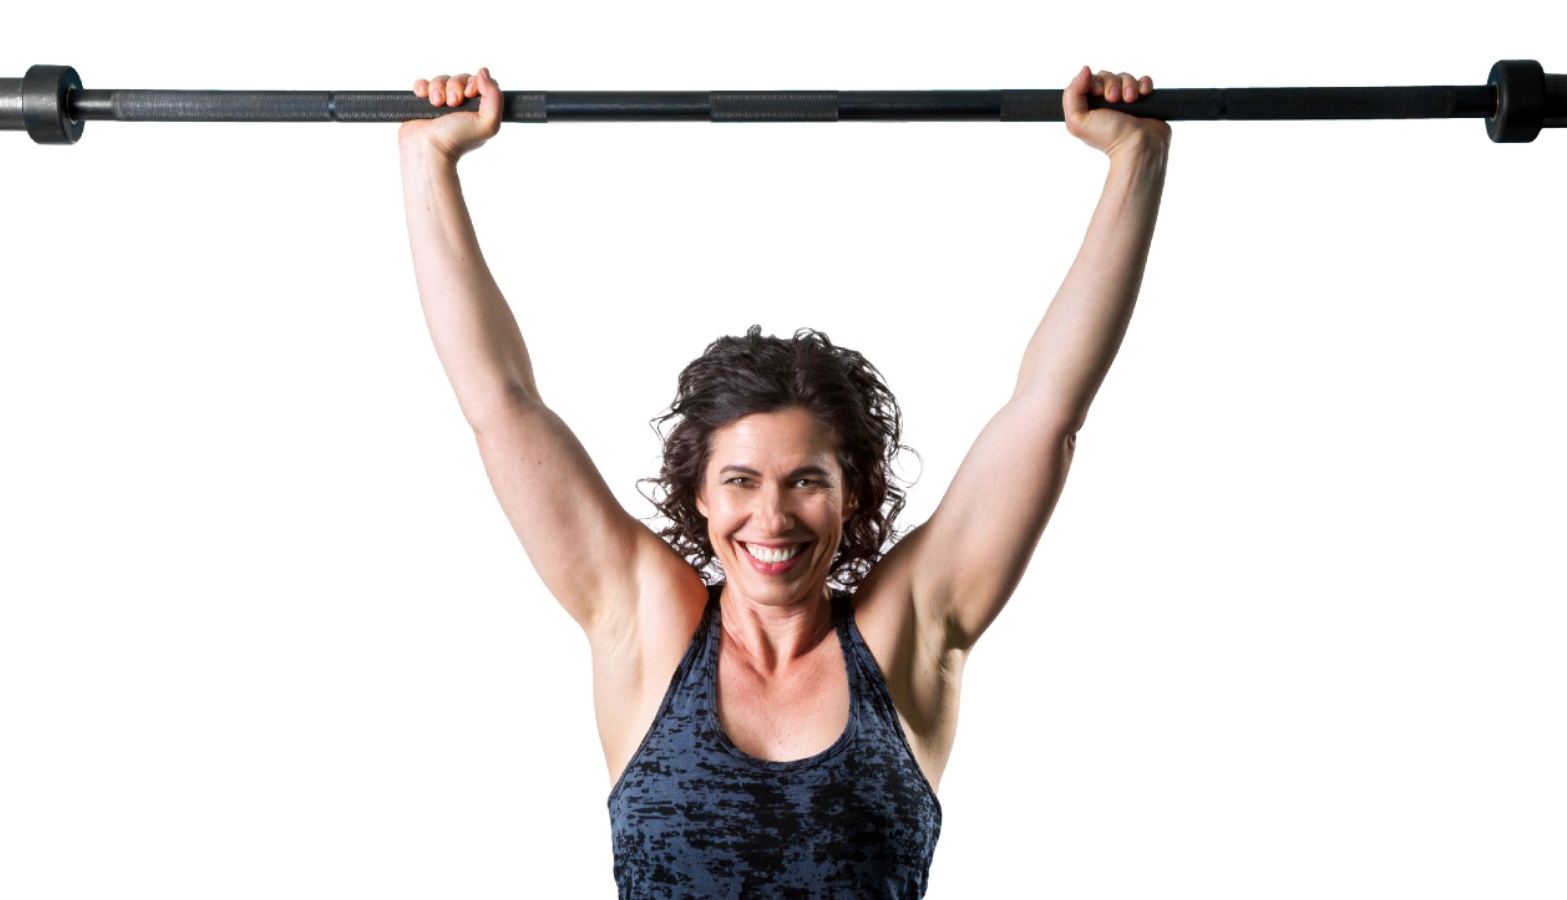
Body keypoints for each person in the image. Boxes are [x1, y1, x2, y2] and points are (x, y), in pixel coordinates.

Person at [398, 65, 1170, 899]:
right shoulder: (647, 626)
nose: (771, 516)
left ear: (852, 494)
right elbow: (502, 407)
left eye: (806, 480)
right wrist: (427, 165)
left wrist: (1136, 162)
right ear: (700, 493)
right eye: (740, 479)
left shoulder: (906, 634)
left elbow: (1047, 412)